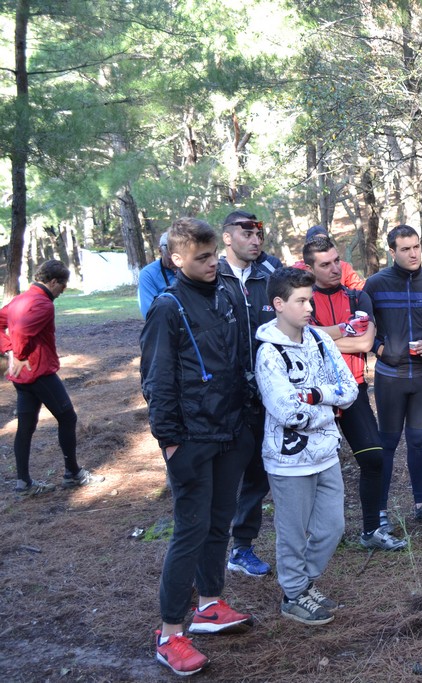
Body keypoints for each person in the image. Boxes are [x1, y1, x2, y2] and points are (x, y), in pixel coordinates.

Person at [140, 217, 254, 677]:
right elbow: (156, 381)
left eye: (214, 256)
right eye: (202, 258)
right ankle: (169, 633)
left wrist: (244, 421)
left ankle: (209, 605)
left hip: (231, 432)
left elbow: (238, 358)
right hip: (190, 440)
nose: (212, 264)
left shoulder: (226, 293)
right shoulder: (167, 307)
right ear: (176, 259)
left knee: (219, 523)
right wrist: (170, 443)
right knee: (190, 531)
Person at [255, 267, 359, 626]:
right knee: (293, 534)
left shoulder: (319, 340)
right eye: (300, 301)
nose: (309, 308)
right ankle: (294, 594)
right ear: (279, 304)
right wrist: (329, 409)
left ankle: (304, 583)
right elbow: (287, 412)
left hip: (326, 454)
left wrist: (315, 395)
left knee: (332, 528)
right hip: (289, 460)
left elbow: (350, 389)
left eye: (310, 300)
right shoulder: (269, 353)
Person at [304, 236, 406, 551]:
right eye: (325, 264)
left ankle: (371, 530)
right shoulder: (303, 300)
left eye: (337, 260)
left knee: (374, 457)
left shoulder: (358, 297)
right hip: (316, 394)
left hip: (353, 389)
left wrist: (321, 337)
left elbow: (364, 343)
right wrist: (340, 332)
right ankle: (316, 535)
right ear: (310, 268)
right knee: (313, 468)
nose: (336, 268)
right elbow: (302, 342)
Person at [363, 225, 422, 528]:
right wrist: (380, 349)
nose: (414, 253)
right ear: (392, 252)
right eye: (405, 249)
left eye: (416, 247)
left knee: (417, 440)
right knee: (388, 442)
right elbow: (361, 326)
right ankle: (380, 512)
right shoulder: (375, 284)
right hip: (390, 377)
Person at [0, 260, 103, 495]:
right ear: (54, 281)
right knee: (67, 417)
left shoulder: (20, 300)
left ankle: (23, 483)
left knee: (26, 426)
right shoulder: (43, 303)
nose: (63, 291)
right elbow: (22, 332)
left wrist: (9, 352)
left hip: (22, 377)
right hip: (39, 373)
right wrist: (18, 354)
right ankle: (73, 474)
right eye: (63, 285)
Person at [218, 212, 278, 577]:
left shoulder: (269, 276)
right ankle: (206, 551)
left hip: (264, 398)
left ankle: (241, 547)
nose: (256, 240)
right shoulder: (212, 277)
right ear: (227, 237)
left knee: (258, 474)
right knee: (222, 478)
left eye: (259, 234)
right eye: (247, 233)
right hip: (223, 400)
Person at [294, 225, 365, 289]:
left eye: (325, 241)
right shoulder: (297, 271)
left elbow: (359, 288)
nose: (335, 270)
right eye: (325, 265)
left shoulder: (344, 267)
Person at [138, 232, 177, 317]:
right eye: (169, 258)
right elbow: (149, 312)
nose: (175, 262)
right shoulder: (148, 274)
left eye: (177, 257)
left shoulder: (190, 268)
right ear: (160, 251)